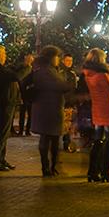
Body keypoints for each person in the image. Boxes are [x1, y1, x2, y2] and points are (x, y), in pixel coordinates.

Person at [29, 45, 76, 177]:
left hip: (48, 109)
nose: (59, 59)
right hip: (49, 110)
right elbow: (61, 86)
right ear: (51, 57)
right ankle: (47, 167)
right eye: (57, 56)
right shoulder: (46, 71)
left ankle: (51, 166)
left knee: (52, 139)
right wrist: (70, 85)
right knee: (48, 139)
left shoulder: (44, 69)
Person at [82, 48, 109, 183]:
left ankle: (92, 172)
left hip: (97, 111)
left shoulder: (87, 74)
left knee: (97, 142)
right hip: (108, 111)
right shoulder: (103, 75)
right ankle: (105, 172)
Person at [0, 45, 20, 172]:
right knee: (2, 133)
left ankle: (0, 158)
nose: (5, 56)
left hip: (6, 103)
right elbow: (16, 76)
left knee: (5, 133)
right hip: (4, 104)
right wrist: (27, 67)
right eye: (3, 53)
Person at [15, 53, 36, 137]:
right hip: (23, 94)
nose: (29, 61)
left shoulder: (32, 70)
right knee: (23, 114)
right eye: (28, 59)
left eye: (31, 60)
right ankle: (21, 130)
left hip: (30, 95)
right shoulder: (22, 68)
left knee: (30, 115)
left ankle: (27, 131)